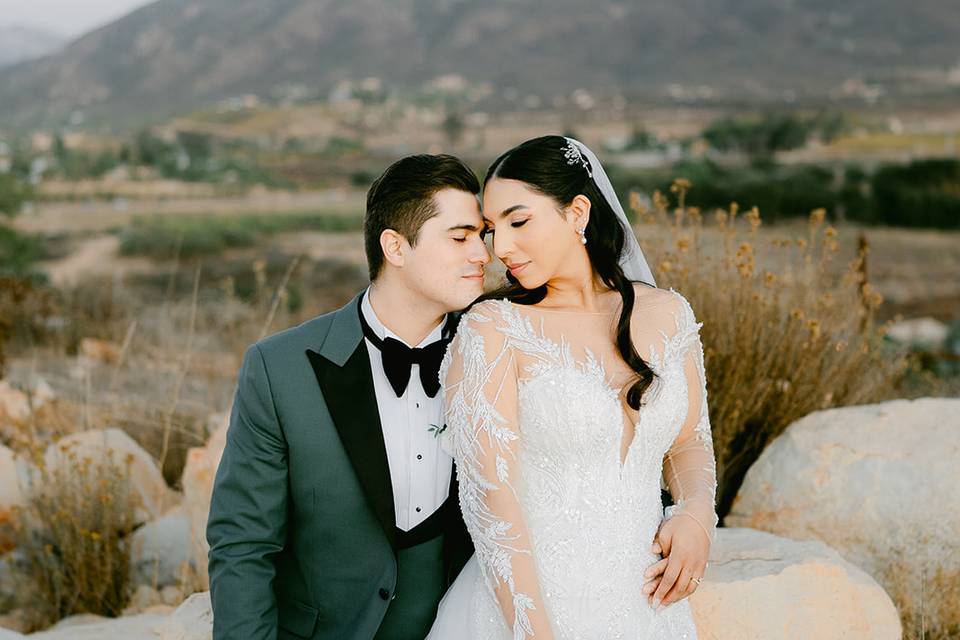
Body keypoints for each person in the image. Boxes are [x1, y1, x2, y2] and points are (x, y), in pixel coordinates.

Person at [428, 135, 718, 639]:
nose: (502, 248)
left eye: (518, 222)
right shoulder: (494, 331)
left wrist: (696, 514)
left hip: (648, 609)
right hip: (532, 611)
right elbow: (491, 510)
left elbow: (689, 441)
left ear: (577, 212)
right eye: (492, 230)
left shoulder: (669, 313)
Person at [207, 154, 487, 639]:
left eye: (482, 236)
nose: (483, 255)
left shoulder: (500, 352)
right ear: (395, 248)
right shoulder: (280, 369)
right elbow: (243, 543)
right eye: (460, 237)